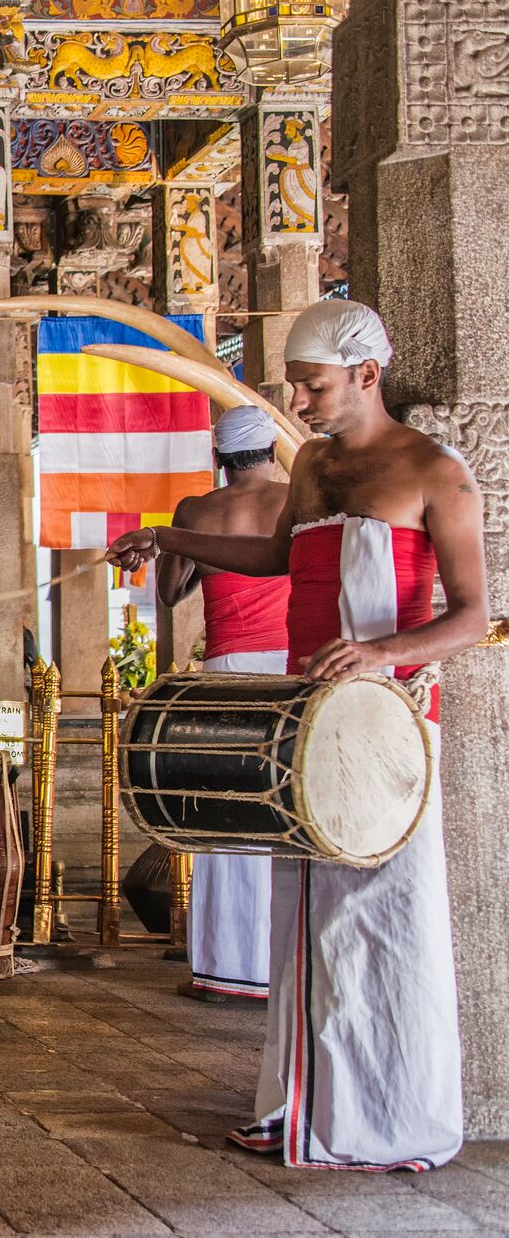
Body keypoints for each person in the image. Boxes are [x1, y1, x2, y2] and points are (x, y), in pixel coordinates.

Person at [108, 299, 485, 1172]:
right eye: (294, 386)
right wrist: (168, 535)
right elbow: (280, 557)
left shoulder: (437, 472)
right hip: (306, 718)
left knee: (381, 915)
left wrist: (380, 652)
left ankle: (388, 1121)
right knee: (303, 915)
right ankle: (301, 1107)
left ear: (367, 375)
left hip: (386, 725)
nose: (299, 402)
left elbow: (473, 616)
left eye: (312, 386)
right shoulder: (309, 464)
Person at [155, 406, 290, 1004]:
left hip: (228, 671)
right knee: (284, 810)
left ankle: (224, 970)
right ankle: (282, 965)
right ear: (272, 453)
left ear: (218, 458)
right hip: (289, 670)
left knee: (225, 813)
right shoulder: (295, 501)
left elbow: (169, 591)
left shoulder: (196, 511)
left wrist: (198, 561)